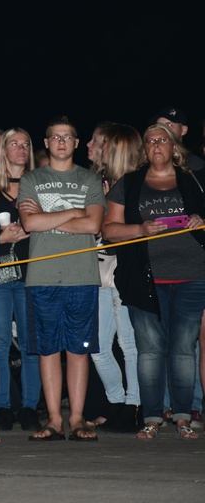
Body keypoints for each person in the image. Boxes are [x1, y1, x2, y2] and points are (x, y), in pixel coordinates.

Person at [102, 123, 205, 440]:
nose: (157, 145)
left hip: (192, 275)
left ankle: (184, 416)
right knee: (148, 350)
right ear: (144, 149)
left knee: (184, 349)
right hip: (144, 278)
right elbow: (109, 230)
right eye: (150, 141)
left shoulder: (194, 182)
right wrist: (140, 230)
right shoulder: (129, 184)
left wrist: (201, 222)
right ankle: (151, 417)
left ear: (175, 146)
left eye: (163, 140)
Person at [18, 116, 105, 443]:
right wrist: (75, 213)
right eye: (55, 137)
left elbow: (94, 225)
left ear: (77, 143)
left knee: (78, 350)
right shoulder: (32, 179)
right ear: (46, 142)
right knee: (48, 349)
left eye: (67, 137)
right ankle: (54, 419)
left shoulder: (89, 179)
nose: (61, 142)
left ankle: (78, 418)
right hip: (42, 276)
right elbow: (29, 224)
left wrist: (49, 218)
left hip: (81, 275)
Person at [0, 128, 42, 433]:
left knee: (30, 345)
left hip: (31, 272)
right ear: (3, 150)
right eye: (14, 143)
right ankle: (2, 406)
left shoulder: (38, 186)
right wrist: (1, 237)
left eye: (25, 144)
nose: (20, 148)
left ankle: (30, 408)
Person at [90, 123, 142, 432]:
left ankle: (133, 406)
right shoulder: (99, 181)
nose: (97, 148)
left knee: (129, 344)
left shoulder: (137, 184)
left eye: (103, 143)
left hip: (126, 269)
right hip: (98, 269)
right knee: (98, 346)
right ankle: (117, 401)